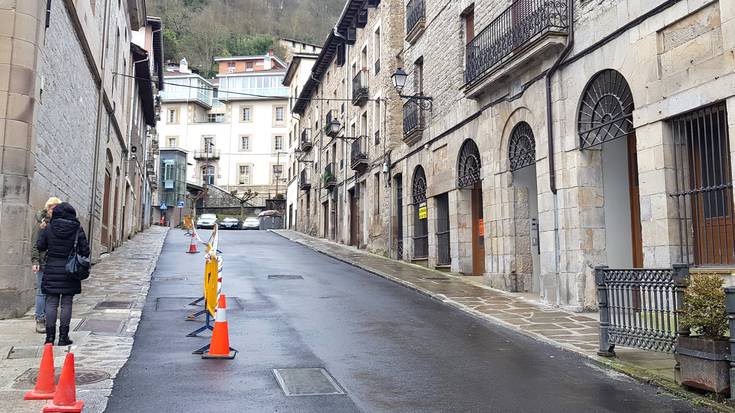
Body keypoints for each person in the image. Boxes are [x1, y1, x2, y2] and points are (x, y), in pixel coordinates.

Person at [37, 202, 90, 346]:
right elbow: (85, 251)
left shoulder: (48, 228)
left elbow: (40, 246)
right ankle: (63, 337)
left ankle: (49, 338)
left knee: (51, 302)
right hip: (70, 271)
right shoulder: (77, 229)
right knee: (67, 303)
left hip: (52, 269)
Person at [31, 197, 62, 333]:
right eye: (51, 207)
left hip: (55, 262)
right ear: (47, 208)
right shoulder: (41, 223)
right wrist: (35, 261)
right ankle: (40, 319)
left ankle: (49, 318)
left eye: (56, 207)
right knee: (41, 292)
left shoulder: (60, 223)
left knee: (52, 292)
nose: (53, 210)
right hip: (43, 262)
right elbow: (35, 244)